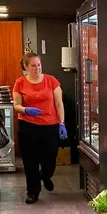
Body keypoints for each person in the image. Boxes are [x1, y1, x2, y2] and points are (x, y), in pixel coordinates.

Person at [12, 52, 67, 204]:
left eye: (39, 65)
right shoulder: (20, 82)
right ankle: (32, 192)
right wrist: (25, 110)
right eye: (33, 65)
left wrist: (61, 123)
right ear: (25, 67)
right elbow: (16, 105)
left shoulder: (51, 81)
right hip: (27, 126)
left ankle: (46, 175)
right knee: (30, 161)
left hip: (49, 126)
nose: (37, 68)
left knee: (50, 158)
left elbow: (58, 103)